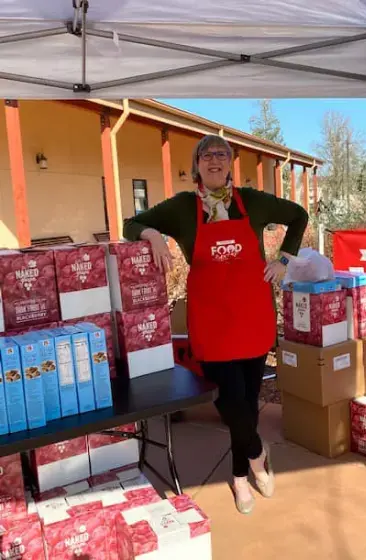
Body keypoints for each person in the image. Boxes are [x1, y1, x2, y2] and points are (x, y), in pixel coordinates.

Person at [123, 135, 308, 514]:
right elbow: (131, 222)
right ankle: (257, 452)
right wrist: (152, 233)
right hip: (211, 322)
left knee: (248, 401)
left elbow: (298, 216)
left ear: (229, 163)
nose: (214, 160)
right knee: (228, 401)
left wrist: (284, 260)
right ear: (197, 165)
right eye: (206, 155)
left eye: (222, 154)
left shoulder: (252, 201)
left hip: (252, 316)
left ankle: (240, 477)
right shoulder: (181, 207)